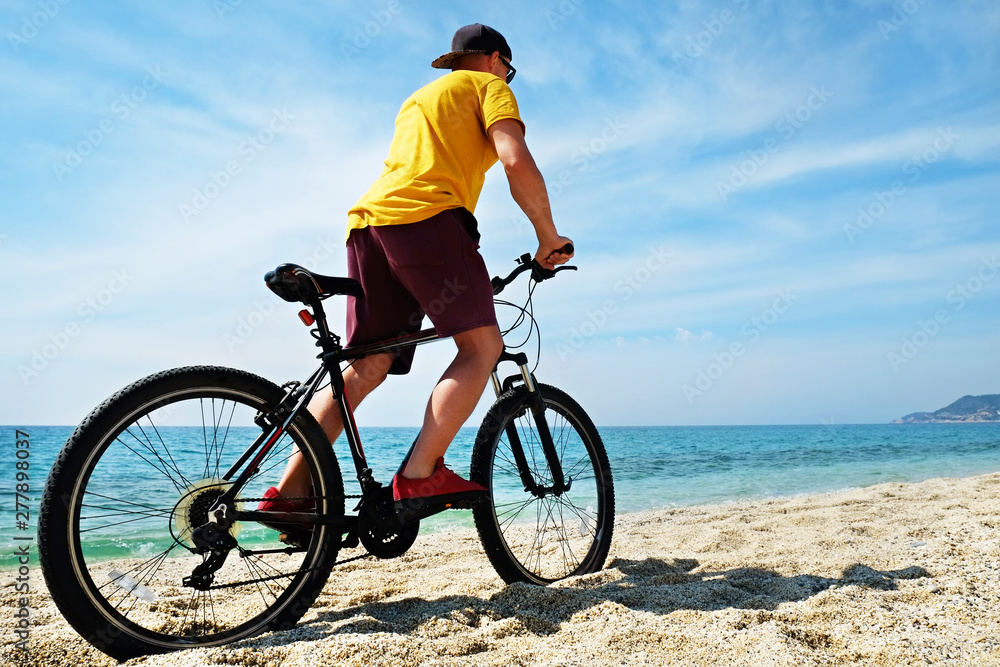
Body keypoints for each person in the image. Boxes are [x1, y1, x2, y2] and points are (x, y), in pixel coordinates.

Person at [259, 23, 573, 519]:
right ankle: (420, 475)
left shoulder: (420, 99)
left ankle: (287, 495)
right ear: (495, 59)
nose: (507, 79)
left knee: (366, 366)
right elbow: (515, 160)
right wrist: (547, 236)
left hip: (368, 225)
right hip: (428, 220)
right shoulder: (489, 87)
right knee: (482, 346)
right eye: (508, 70)